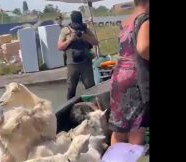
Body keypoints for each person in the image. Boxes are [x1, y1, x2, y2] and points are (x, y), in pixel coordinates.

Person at [108, 0, 149, 145]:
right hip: (135, 80)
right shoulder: (145, 19)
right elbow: (143, 48)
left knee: (119, 129)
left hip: (119, 77)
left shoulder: (127, 21)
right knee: (136, 129)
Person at [58, 11, 99, 100]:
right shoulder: (65, 31)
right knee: (71, 89)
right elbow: (60, 47)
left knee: (91, 87)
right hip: (72, 65)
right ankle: (69, 108)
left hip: (86, 64)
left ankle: (94, 106)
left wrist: (85, 37)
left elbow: (96, 42)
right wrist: (70, 40)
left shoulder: (85, 30)